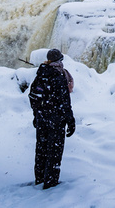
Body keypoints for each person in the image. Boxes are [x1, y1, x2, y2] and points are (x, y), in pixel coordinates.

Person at [28, 49, 75, 189]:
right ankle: (50, 183)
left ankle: (39, 179)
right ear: (59, 61)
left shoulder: (40, 75)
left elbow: (32, 96)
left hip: (42, 119)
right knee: (54, 152)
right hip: (56, 120)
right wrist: (70, 121)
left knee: (41, 150)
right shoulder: (59, 76)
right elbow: (64, 102)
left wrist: (37, 115)